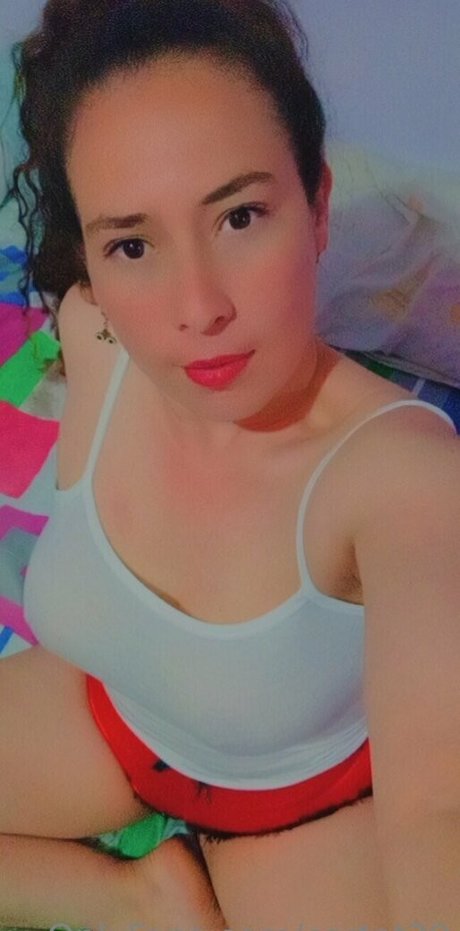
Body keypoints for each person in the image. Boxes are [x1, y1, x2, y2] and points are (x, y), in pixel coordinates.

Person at [2, 0, 459, 927]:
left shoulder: (399, 477)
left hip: (298, 809)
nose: (198, 306)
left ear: (319, 207)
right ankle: (142, 896)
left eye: (240, 216)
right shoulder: (93, 331)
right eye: (134, 244)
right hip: (114, 719)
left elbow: (438, 810)